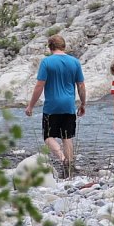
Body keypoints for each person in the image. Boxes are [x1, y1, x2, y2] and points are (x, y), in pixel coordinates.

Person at [25, 35, 86, 179]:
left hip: (52, 106)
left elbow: (40, 85)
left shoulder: (47, 62)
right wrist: (83, 104)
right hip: (69, 106)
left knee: (48, 136)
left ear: (50, 47)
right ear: (64, 46)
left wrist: (30, 106)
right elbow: (81, 86)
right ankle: (70, 165)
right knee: (67, 136)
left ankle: (62, 158)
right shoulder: (75, 62)